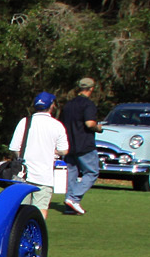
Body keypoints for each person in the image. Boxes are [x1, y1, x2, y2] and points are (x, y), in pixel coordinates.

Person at [8, 92, 69, 211]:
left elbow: (14, 148)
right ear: (51, 106)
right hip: (45, 176)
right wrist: (53, 151)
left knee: (20, 210)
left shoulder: (24, 122)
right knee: (40, 209)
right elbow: (64, 150)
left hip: (23, 174)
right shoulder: (57, 125)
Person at [60, 77, 100, 215]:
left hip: (69, 144)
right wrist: (99, 128)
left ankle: (69, 204)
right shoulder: (88, 104)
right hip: (84, 144)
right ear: (91, 88)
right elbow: (90, 123)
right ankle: (73, 198)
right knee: (92, 172)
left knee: (72, 174)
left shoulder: (68, 105)